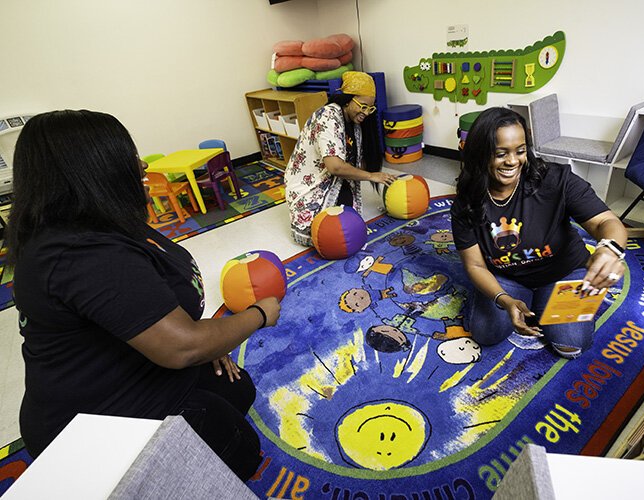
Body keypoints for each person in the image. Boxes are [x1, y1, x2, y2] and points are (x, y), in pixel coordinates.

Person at [6, 110, 281, 481]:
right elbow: (181, 346)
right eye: (126, 155)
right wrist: (258, 314)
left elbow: (149, 306)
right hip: (96, 424)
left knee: (236, 389)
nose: (140, 165)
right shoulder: (80, 255)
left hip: (135, 368)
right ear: (93, 171)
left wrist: (210, 342)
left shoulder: (101, 221)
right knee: (241, 453)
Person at [450, 107, 628, 359]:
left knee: (570, 345)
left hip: (565, 273)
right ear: (481, 154)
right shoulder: (467, 202)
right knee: (486, 333)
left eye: (520, 151)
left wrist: (610, 250)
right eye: (501, 154)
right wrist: (505, 300)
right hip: (508, 279)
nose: (513, 161)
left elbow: (605, 222)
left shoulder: (556, 180)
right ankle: (530, 302)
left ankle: (548, 303)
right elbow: (475, 265)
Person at [284, 71, 397, 246]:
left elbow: (354, 160)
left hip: (332, 181)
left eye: (370, 108)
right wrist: (372, 176)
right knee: (328, 231)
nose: (366, 113)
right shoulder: (328, 116)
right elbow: (335, 167)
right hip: (310, 185)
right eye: (362, 106)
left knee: (347, 220)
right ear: (347, 99)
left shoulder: (354, 123)